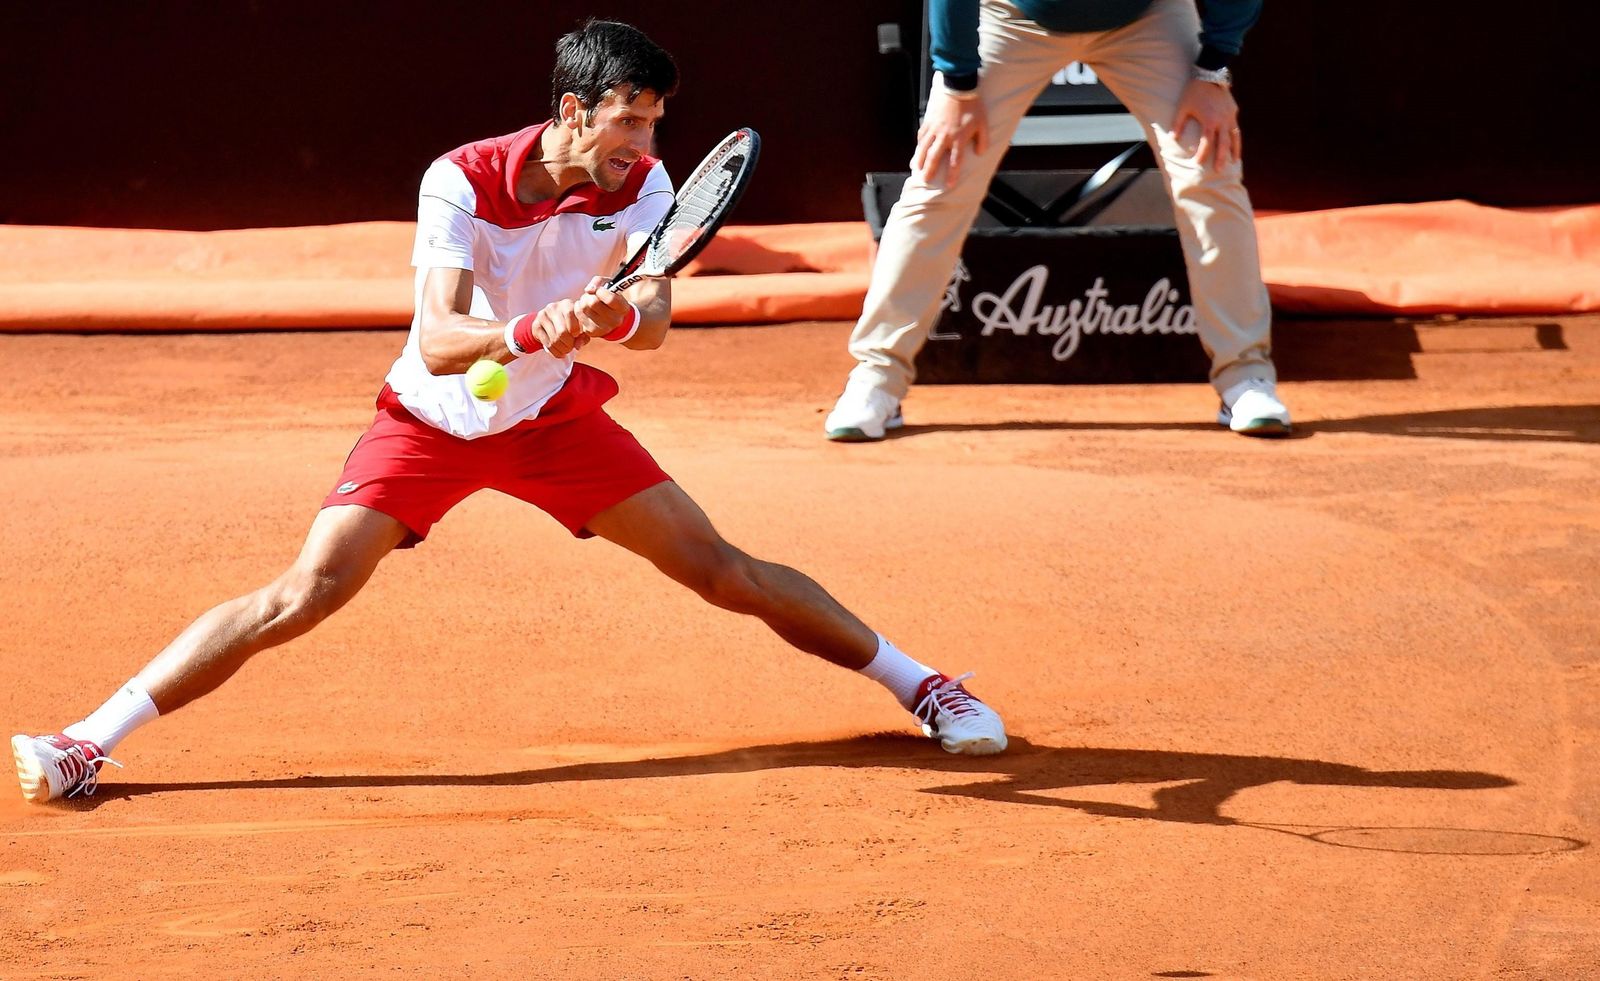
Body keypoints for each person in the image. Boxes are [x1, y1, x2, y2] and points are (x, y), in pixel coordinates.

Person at [11, 20, 1006, 804]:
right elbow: (442, 338)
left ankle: (924, 685)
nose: (644, 144)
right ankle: (86, 743)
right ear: (572, 110)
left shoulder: (649, 185)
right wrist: (534, 329)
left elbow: (653, 322)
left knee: (720, 570)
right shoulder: (463, 178)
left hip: (555, 424)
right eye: (627, 120)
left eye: (655, 122)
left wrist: (619, 310)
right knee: (303, 592)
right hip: (431, 418)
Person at [824, 0, 1291, 441]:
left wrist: (1212, 70)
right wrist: (956, 81)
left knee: (1210, 169)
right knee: (941, 174)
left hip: (1147, 15)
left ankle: (1244, 376)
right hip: (1013, 16)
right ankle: (877, 377)